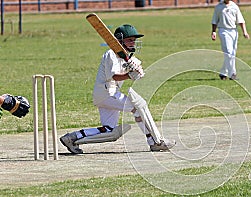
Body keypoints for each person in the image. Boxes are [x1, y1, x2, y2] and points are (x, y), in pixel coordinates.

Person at [60, 24, 175, 154]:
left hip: (107, 95)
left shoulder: (131, 59)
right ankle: (156, 141)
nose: (133, 42)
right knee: (139, 106)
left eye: (134, 40)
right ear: (119, 41)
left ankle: (73, 138)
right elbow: (114, 76)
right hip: (107, 93)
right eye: (130, 39)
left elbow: (135, 70)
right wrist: (129, 75)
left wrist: (138, 73)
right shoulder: (111, 54)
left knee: (110, 131)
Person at [211, 0, 250, 80]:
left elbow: (241, 21)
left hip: (233, 31)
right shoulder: (219, 7)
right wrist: (214, 32)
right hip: (223, 30)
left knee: (232, 53)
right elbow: (214, 20)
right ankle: (232, 73)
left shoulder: (234, 6)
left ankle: (223, 72)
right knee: (229, 52)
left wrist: (244, 32)